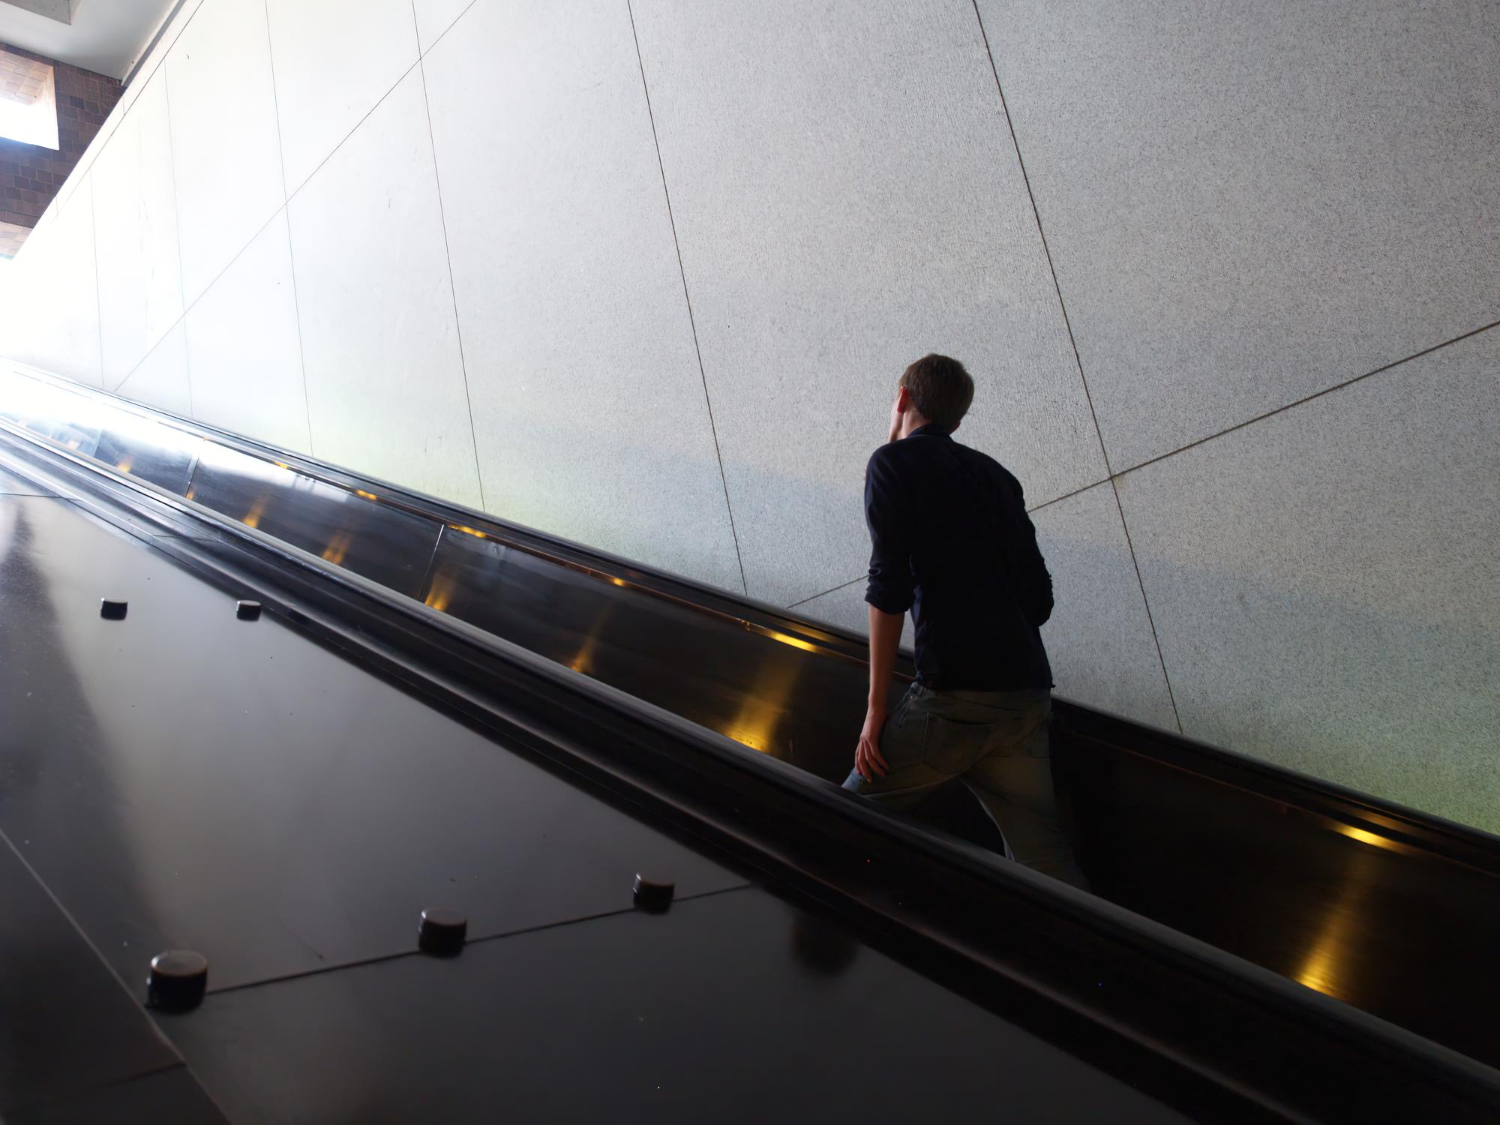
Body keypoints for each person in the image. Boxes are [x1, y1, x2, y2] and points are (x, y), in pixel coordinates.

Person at [843, 354, 1089, 890]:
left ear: (904, 399)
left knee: (840, 821)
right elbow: (1040, 603)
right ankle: (1092, 966)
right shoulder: (998, 477)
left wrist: (875, 711)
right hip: (1025, 694)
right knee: (1043, 860)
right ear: (956, 421)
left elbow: (887, 589)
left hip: (955, 696)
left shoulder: (891, 464)